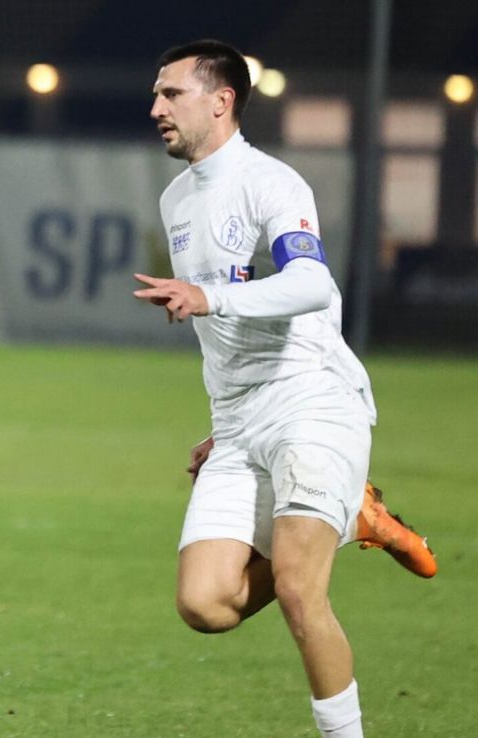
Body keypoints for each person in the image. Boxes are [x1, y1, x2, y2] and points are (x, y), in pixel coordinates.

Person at [133, 39, 436, 738]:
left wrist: (209, 298)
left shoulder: (274, 185)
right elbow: (226, 337)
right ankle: (354, 518)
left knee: (302, 591)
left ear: (221, 100)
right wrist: (226, 421)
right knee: (205, 604)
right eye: (156, 94)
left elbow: (310, 284)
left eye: (170, 94)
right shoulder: (177, 197)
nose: (156, 108)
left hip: (312, 402)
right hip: (243, 421)